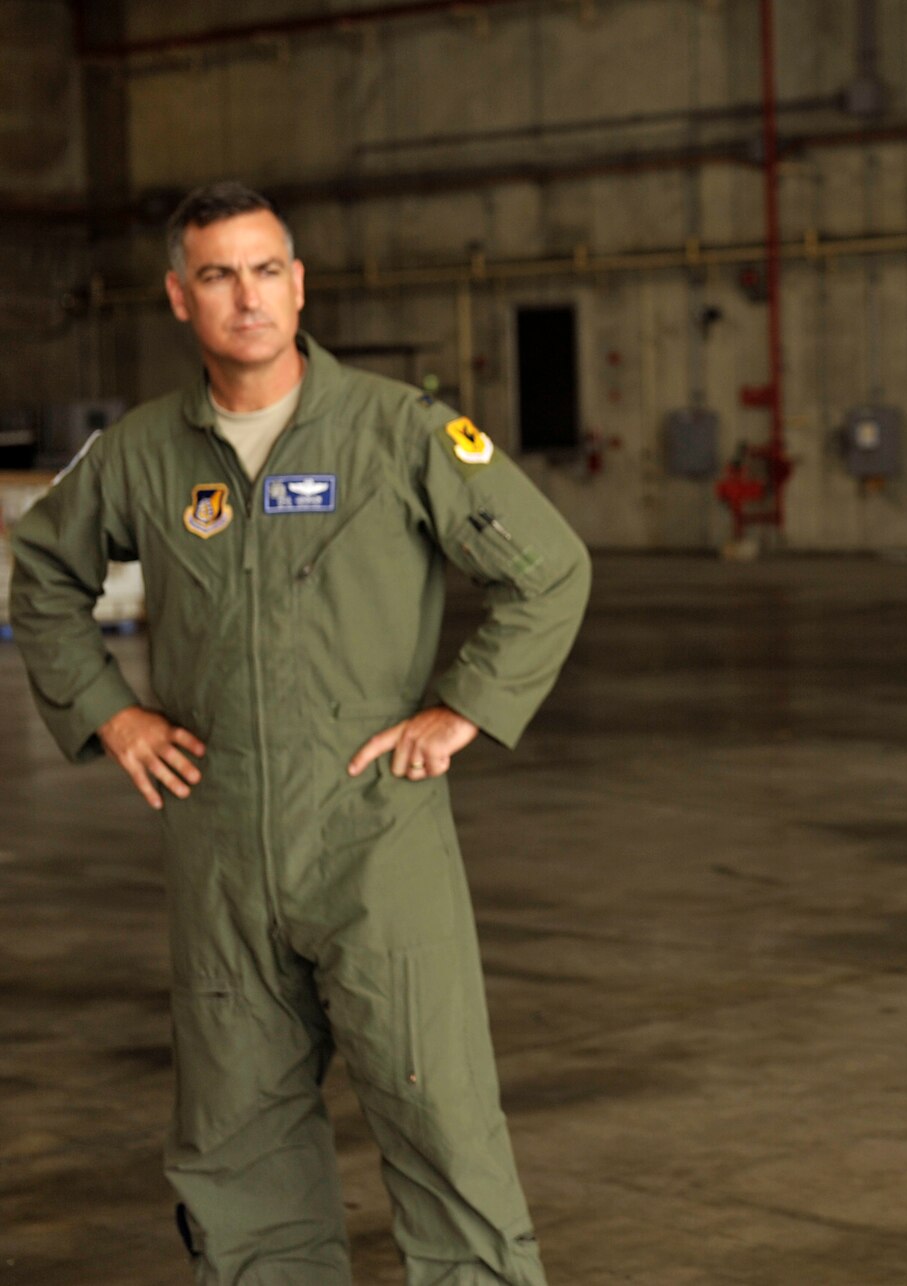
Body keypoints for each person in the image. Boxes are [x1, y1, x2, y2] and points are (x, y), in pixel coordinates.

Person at [8, 181, 590, 1284]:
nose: (248, 297)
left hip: (376, 837)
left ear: (299, 283)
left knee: (443, 1122)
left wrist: (463, 706)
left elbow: (549, 568)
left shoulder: (398, 431)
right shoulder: (141, 454)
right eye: (219, 275)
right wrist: (110, 712)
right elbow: (40, 575)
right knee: (239, 1146)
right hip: (219, 843)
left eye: (267, 269)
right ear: (182, 298)